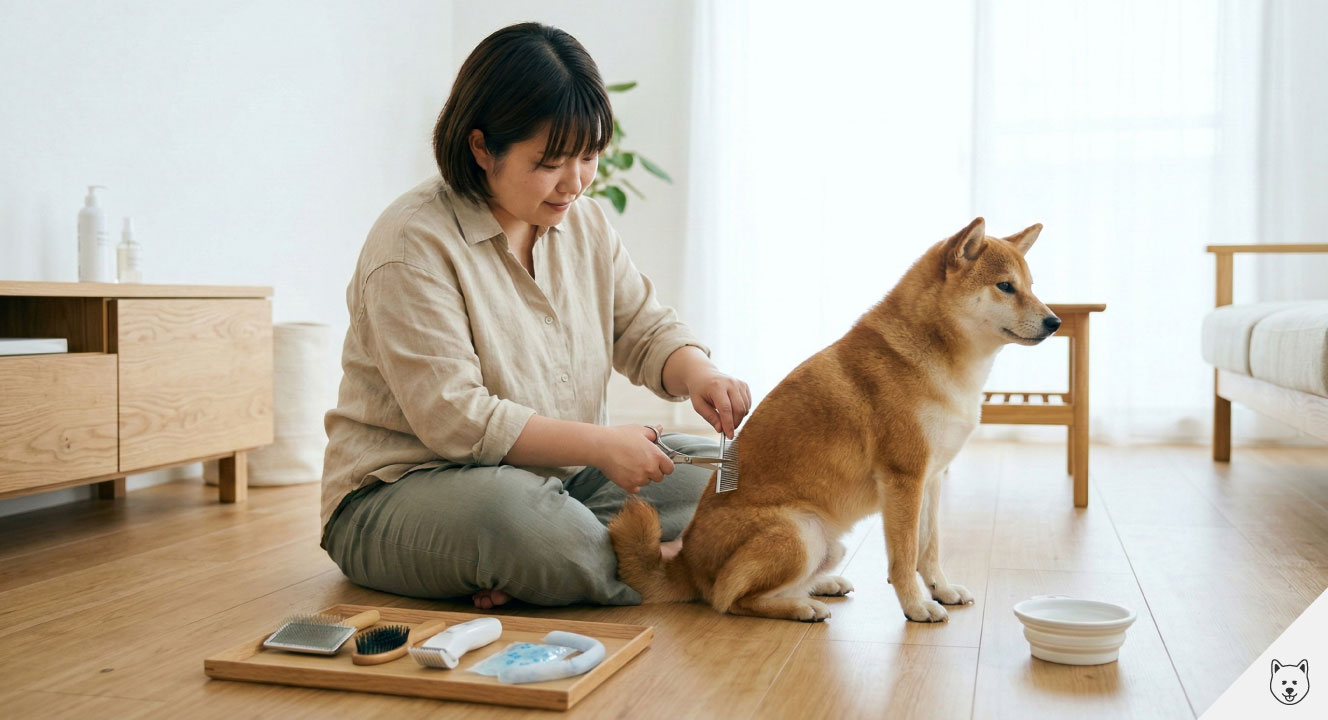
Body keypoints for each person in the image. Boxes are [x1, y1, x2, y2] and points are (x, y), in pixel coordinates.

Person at [319, 22, 750, 609]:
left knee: (733, 473)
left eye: (589, 156)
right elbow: (457, 419)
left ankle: (535, 567)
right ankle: (663, 565)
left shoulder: (584, 222)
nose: (574, 183)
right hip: (406, 491)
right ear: (481, 148)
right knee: (519, 522)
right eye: (550, 162)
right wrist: (601, 446)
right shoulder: (411, 244)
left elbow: (642, 328)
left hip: (559, 480)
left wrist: (701, 374)